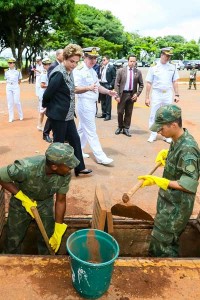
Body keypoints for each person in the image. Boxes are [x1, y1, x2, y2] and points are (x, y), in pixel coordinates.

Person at [138, 104, 200, 257]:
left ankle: (165, 270)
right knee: (161, 237)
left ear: (173, 125)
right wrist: (169, 156)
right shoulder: (177, 139)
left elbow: (189, 184)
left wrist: (159, 181)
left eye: (161, 128)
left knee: (163, 244)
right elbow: (180, 167)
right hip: (168, 202)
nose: (159, 132)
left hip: (177, 207)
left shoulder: (188, 149)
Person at [0, 142, 80, 254]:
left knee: (48, 238)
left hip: (45, 204)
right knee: (14, 237)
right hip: (21, 204)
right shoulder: (26, 168)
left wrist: (58, 227)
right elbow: (1, 176)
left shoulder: (65, 174)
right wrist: (22, 197)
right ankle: (10, 261)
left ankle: (45, 261)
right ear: (54, 166)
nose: (71, 168)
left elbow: (61, 200)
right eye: (68, 165)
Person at [43, 44, 92, 177]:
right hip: (58, 115)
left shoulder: (69, 71)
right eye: (71, 61)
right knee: (58, 145)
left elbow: (70, 90)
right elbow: (47, 94)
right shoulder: (59, 73)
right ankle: (52, 170)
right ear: (64, 58)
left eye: (76, 62)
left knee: (75, 140)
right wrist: (49, 108)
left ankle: (79, 167)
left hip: (67, 114)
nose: (74, 64)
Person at [73, 47, 116, 165]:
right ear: (84, 57)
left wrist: (108, 92)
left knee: (82, 130)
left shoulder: (92, 71)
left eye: (95, 58)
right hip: (84, 103)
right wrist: (88, 88)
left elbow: (98, 86)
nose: (93, 60)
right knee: (91, 131)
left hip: (92, 104)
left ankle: (78, 151)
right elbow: (74, 89)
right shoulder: (79, 70)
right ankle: (100, 156)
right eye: (90, 58)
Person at [145, 47, 180, 143]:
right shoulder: (154, 66)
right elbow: (149, 83)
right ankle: (153, 134)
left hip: (167, 93)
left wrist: (177, 95)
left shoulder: (173, 67)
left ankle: (166, 135)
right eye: (167, 55)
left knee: (167, 115)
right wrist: (147, 97)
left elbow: (175, 81)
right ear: (161, 55)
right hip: (156, 93)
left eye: (169, 56)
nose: (168, 58)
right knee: (154, 114)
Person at [114, 54, 144, 137]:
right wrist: (117, 96)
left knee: (129, 112)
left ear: (136, 62)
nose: (132, 63)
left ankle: (126, 128)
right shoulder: (121, 71)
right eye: (131, 61)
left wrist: (137, 94)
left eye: (134, 61)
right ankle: (120, 127)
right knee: (120, 112)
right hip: (122, 94)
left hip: (131, 94)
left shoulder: (138, 72)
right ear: (128, 61)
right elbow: (116, 84)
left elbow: (141, 84)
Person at [43, 49, 64, 143]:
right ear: (57, 56)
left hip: (60, 96)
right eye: (63, 54)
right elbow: (52, 82)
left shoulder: (61, 65)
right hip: (54, 95)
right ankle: (46, 134)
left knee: (57, 115)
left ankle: (63, 135)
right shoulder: (53, 66)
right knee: (52, 116)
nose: (65, 56)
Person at [4, 57, 23, 123]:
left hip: (15, 86)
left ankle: (21, 115)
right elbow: (6, 79)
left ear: (14, 63)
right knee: (10, 102)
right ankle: (11, 117)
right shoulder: (6, 71)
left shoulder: (18, 71)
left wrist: (16, 85)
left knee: (17, 101)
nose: (9, 64)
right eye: (9, 63)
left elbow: (20, 79)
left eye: (11, 63)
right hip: (9, 86)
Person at [38, 57, 52, 143]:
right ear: (43, 66)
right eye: (47, 64)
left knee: (45, 111)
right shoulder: (44, 73)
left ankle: (41, 126)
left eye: (49, 64)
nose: (49, 66)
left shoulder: (49, 72)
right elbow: (42, 85)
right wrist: (52, 86)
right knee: (43, 111)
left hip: (47, 93)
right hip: (43, 94)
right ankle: (39, 125)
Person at [98, 55, 116, 120]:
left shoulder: (111, 67)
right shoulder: (102, 67)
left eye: (104, 60)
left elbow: (114, 77)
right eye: (102, 60)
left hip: (108, 85)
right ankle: (104, 113)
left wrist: (111, 85)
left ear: (108, 60)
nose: (103, 61)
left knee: (108, 101)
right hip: (102, 84)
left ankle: (108, 115)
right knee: (103, 100)